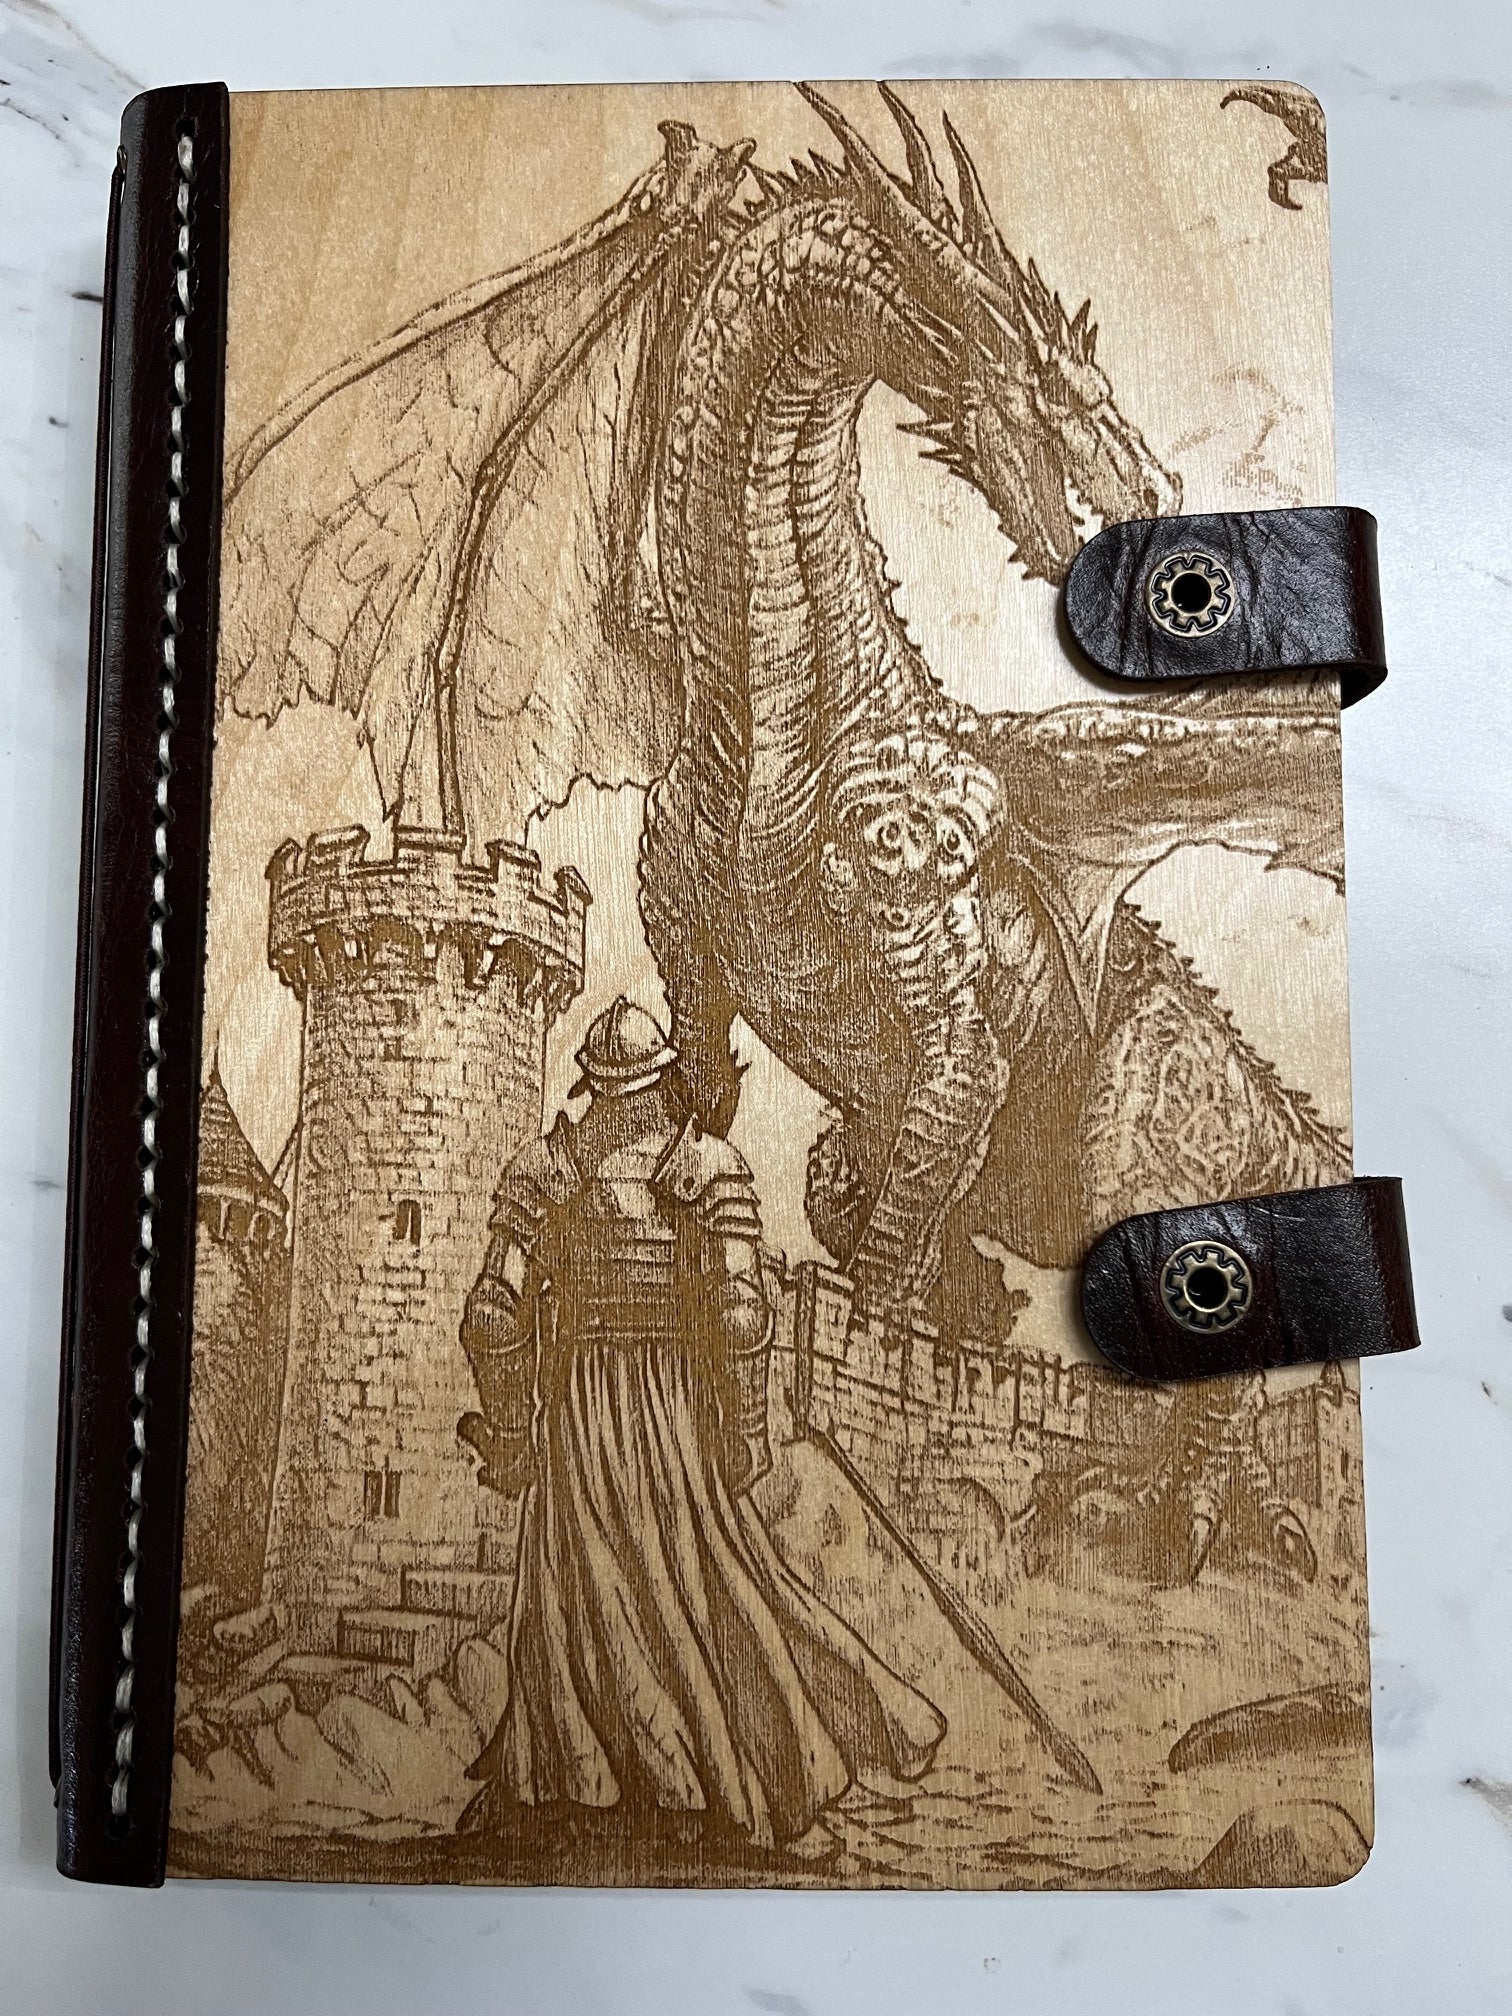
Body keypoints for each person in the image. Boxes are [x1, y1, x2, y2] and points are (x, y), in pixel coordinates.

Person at [456, 997, 944, 1863]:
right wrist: (745, 1430)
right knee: (707, 1579)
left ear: (593, 1084)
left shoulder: (547, 1168)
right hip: (671, 1409)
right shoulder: (708, 1166)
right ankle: (725, 1785)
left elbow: (495, 1313)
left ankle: (586, 1787)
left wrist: (509, 1435)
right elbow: (741, 1313)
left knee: (586, 1591)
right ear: (662, 1078)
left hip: (579, 1413)